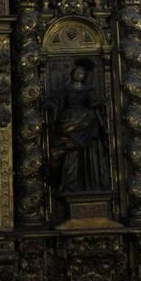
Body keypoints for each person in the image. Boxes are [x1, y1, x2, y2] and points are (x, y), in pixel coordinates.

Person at [49, 64, 109, 193]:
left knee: (87, 152)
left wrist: (100, 104)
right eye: (77, 72)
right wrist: (51, 105)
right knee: (69, 154)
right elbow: (57, 101)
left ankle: (91, 183)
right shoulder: (65, 89)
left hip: (86, 123)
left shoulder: (88, 89)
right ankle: (68, 184)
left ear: (84, 76)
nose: (79, 74)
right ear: (72, 74)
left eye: (81, 72)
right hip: (69, 120)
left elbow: (94, 102)